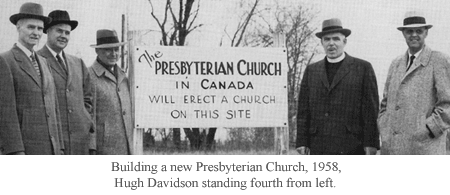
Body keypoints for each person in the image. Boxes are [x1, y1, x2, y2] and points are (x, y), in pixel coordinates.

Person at [296, 18, 380, 155]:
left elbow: (371, 110)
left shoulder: (363, 68)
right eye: (327, 39)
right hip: (319, 145)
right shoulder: (312, 70)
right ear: (321, 42)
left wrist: (371, 143)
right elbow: (303, 109)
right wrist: (302, 141)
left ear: (344, 41)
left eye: (336, 39)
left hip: (352, 145)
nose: (331, 43)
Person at [378, 11, 450, 155]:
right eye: (409, 31)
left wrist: (428, 130)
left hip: (425, 149)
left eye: (419, 31)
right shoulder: (396, 64)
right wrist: (384, 127)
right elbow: (385, 104)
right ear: (403, 34)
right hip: (393, 148)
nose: (414, 35)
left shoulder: (439, 60)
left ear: (426, 33)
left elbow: (447, 104)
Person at [0, 2, 64, 155]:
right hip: (25, 150)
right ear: (18, 27)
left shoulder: (43, 62)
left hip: (50, 150)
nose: (36, 32)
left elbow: (54, 109)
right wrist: (16, 151)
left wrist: (60, 148)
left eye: (40, 29)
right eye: (31, 27)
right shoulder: (6, 60)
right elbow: (5, 112)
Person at [37, 10, 95, 155]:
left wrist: (86, 128)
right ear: (48, 31)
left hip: (80, 145)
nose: (63, 36)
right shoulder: (36, 60)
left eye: (67, 33)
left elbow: (88, 101)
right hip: (53, 144)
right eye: (59, 31)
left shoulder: (78, 63)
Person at [89, 29, 133, 155]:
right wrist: (91, 149)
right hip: (103, 150)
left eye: (116, 50)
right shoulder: (89, 76)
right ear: (97, 51)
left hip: (126, 149)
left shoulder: (124, 78)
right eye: (108, 50)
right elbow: (88, 116)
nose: (113, 54)